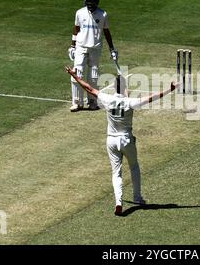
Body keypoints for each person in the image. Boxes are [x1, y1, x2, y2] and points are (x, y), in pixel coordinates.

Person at [65, 66, 179, 216]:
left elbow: (89, 89)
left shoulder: (108, 98)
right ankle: (137, 197)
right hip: (126, 140)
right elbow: (151, 97)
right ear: (124, 88)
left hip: (111, 141)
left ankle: (118, 202)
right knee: (134, 167)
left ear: (114, 88)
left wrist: (74, 75)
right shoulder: (130, 102)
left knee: (116, 173)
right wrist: (169, 89)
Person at [68, 0, 119, 112]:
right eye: (89, 2)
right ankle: (77, 102)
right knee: (77, 72)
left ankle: (92, 101)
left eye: (92, 2)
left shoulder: (103, 14)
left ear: (97, 2)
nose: (90, 4)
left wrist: (112, 48)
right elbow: (76, 29)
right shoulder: (80, 13)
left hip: (95, 48)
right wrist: (72, 46)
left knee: (93, 76)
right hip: (81, 46)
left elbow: (106, 32)